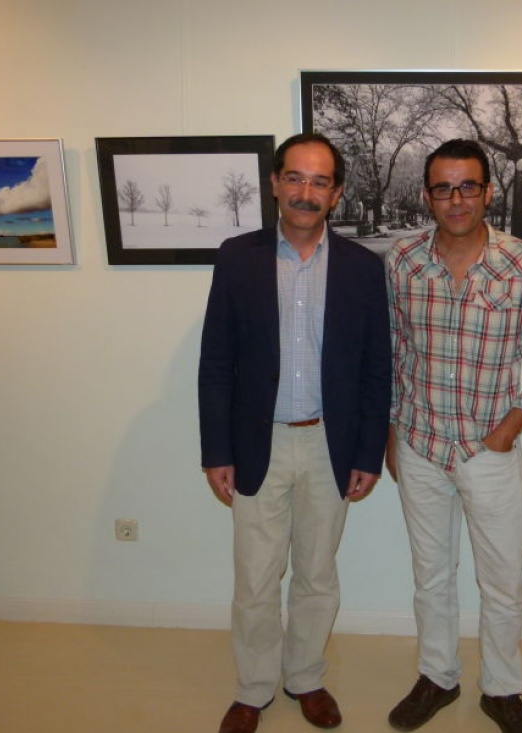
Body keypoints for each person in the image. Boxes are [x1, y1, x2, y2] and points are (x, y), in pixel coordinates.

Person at [199, 132, 392, 733]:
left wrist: (368, 452)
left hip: (330, 444)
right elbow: (216, 362)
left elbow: (375, 367)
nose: (306, 192)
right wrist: (216, 451)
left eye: (320, 181)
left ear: (336, 193)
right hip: (258, 444)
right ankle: (253, 687)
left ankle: (305, 676)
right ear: (276, 182)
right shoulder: (238, 257)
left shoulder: (364, 268)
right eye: (296, 178)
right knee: (255, 577)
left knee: (316, 573)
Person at [383, 139, 522, 733]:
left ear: (489, 191)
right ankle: (437, 676)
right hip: (419, 443)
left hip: (489, 450)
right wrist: (391, 431)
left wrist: (508, 433)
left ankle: (502, 688)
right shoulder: (404, 261)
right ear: (427, 195)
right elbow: (390, 353)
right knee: (430, 574)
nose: (456, 199)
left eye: (467, 187)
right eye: (443, 188)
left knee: (502, 577)